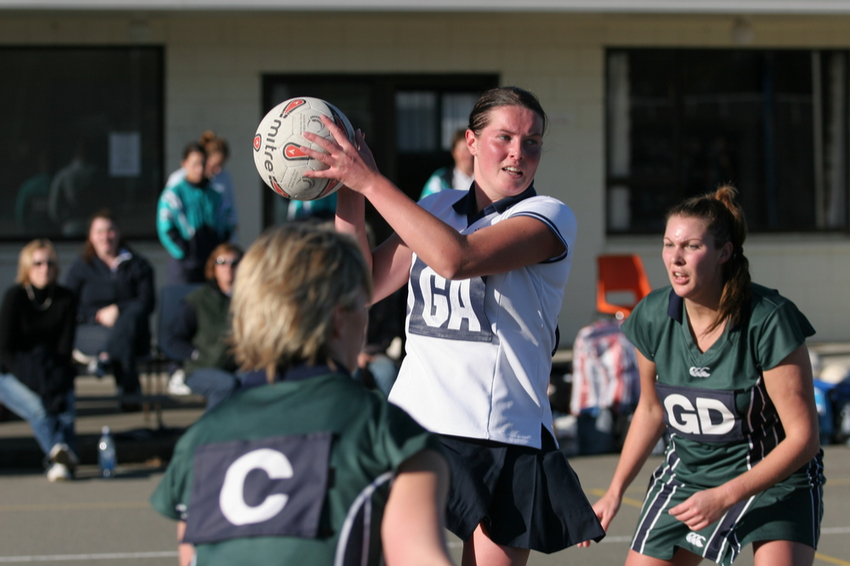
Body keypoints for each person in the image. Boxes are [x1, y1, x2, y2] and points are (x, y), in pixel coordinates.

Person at [304, 86, 605, 565]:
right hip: (418, 421)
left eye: (532, 142)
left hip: (503, 430)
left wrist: (370, 182)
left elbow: (456, 259)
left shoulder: (549, 217)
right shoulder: (438, 206)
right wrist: (348, 192)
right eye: (503, 137)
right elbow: (360, 285)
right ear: (470, 141)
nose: (517, 153)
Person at [150, 223, 452, 566]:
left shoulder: (200, 438)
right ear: (340, 319)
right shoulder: (389, 434)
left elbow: (191, 559)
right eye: (361, 305)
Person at [578, 186, 825, 566]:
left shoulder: (768, 320)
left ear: (724, 252)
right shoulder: (653, 315)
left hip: (772, 478)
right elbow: (649, 411)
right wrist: (614, 492)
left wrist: (726, 495)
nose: (675, 259)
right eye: (668, 245)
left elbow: (804, 439)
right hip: (689, 474)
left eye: (691, 247)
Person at [0, 239, 78, 481]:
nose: (44, 268)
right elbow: (3, 350)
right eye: (38, 263)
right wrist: (33, 381)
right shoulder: (15, 296)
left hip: (52, 370)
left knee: (65, 409)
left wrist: (53, 381)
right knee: (39, 409)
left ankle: (61, 460)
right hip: (12, 372)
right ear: (26, 266)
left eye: (50, 263)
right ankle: (63, 455)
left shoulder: (66, 298)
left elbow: (65, 350)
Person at [63, 210, 155, 405]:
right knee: (126, 331)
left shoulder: (138, 265)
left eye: (110, 230)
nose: (105, 236)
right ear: (91, 236)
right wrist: (96, 315)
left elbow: (147, 302)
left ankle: (106, 356)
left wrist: (119, 311)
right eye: (99, 231)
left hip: (134, 333)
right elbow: (67, 305)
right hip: (92, 332)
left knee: (131, 316)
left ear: (119, 233)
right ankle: (130, 397)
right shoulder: (81, 267)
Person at [164, 243, 242, 410]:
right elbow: (173, 339)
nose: (228, 268)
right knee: (226, 385)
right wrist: (196, 355)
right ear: (212, 266)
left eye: (234, 263)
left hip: (240, 367)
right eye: (222, 262)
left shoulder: (251, 300)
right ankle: (211, 433)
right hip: (202, 369)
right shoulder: (198, 300)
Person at [158, 142, 234, 284]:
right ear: (184, 164)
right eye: (195, 164)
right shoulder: (173, 194)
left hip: (211, 264)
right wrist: (184, 253)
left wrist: (219, 250)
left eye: (203, 164)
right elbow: (165, 228)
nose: (199, 169)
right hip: (184, 267)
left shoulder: (216, 194)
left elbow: (229, 223)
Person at [165, 131, 239, 242]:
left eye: (221, 165)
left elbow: (230, 214)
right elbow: (168, 218)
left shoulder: (224, 178)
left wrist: (227, 241)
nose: (218, 170)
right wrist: (183, 248)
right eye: (214, 165)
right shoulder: (178, 180)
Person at [419, 128, 475, 200]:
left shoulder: (486, 179)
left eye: (471, 149)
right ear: (454, 152)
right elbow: (425, 206)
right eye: (464, 150)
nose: (469, 155)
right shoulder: (440, 180)